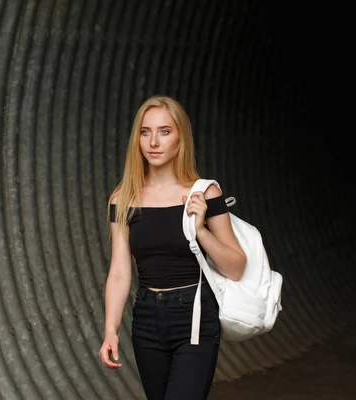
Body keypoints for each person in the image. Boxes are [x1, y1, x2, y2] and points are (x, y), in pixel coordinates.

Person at [98, 95, 246, 399]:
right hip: (147, 318)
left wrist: (200, 229)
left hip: (194, 314)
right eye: (145, 131)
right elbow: (120, 272)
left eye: (164, 131)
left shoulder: (205, 192)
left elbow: (235, 267)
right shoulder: (123, 198)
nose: (154, 141)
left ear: (181, 138)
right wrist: (110, 330)